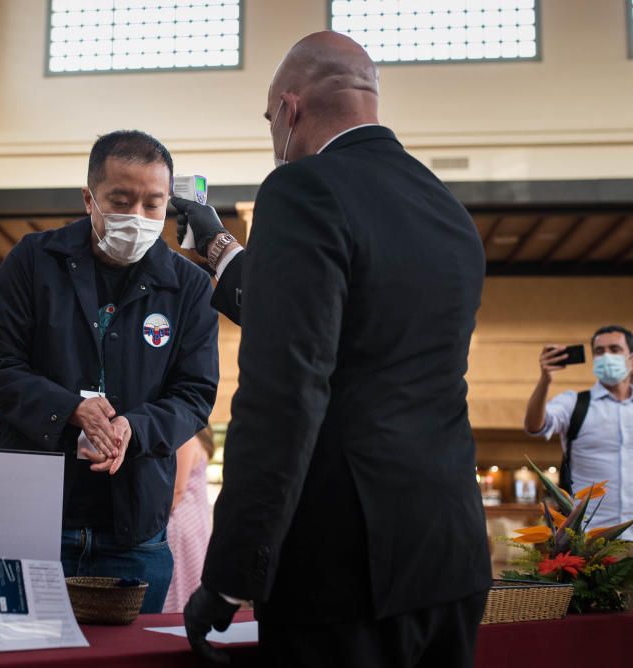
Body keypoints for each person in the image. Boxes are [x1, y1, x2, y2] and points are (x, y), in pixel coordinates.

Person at [177, 32, 492, 666]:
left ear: (290, 110)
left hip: (345, 568)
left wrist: (234, 570)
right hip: (449, 556)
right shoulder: (447, 210)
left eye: (270, 119)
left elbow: (286, 394)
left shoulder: (301, 188)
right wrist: (219, 248)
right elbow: (334, 319)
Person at [0, 130, 219, 613]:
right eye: (121, 200)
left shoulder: (188, 287)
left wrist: (135, 427)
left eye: (153, 204)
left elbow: (195, 394)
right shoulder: (33, 261)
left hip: (134, 528)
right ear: (89, 198)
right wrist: (70, 409)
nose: (138, 217)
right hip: (33, 516)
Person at [524, 325, 633, 539]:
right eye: (599, 352)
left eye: (614, 349)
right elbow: (535, 426)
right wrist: (545, 379)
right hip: (589, 539)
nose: (606, 356)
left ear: (630, 358)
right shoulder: (574, 403)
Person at [162, 427, 214, 614]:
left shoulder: (186, 439)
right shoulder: (199, 442)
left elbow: (177, 489)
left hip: (180, 525)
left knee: (178, 587)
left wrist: (154, 518)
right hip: (196, 522)